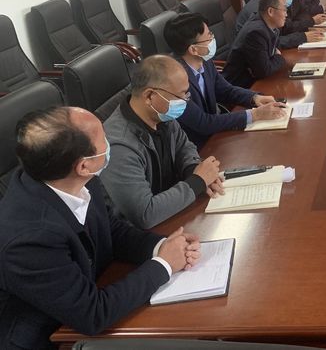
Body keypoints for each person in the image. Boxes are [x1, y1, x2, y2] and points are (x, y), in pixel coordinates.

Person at [0, 107, 199, 348]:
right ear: (83, 166)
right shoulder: (28, 240)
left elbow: (112, 230)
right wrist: (164, 264)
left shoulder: (76, 179)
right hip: (49, 336)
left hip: (94, 287)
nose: (109, 140)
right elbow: (92, 314)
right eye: (103, 137)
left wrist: (161, 246)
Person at [102, 55, 224, 229]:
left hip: (172, 213)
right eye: (180, 95)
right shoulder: (118, 146)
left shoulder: (160, 114)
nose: (185, 101)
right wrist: (197, 181)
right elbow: (145, 214)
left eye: (186, 93)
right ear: (149, 96)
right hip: (141, 233)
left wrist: (194, 169)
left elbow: (184, 147)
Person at [163, 13, 287, 148]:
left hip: (216, 134)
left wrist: (254, 97)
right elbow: (203, 123)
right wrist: (255, 114)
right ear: (193, 49)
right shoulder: (174, 81)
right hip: (197, 147)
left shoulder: (204, 61)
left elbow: (225, 90)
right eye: (209, 36)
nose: (213, 39)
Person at [235, 0, 324, 47]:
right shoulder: (262, 8)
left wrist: (305, 32)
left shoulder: (269, 0)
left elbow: (283, 30)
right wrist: (302, 37)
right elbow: (273, 42)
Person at [223, 0, 288, 88]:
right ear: (270, 11)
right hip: (240, 87)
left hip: (255, 82)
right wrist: (279, 58)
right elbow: (264, 71)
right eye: (284, 10)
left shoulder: (270, 26)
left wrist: (274, 58)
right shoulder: (256, 32)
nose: (286, 14)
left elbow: (275, 50)